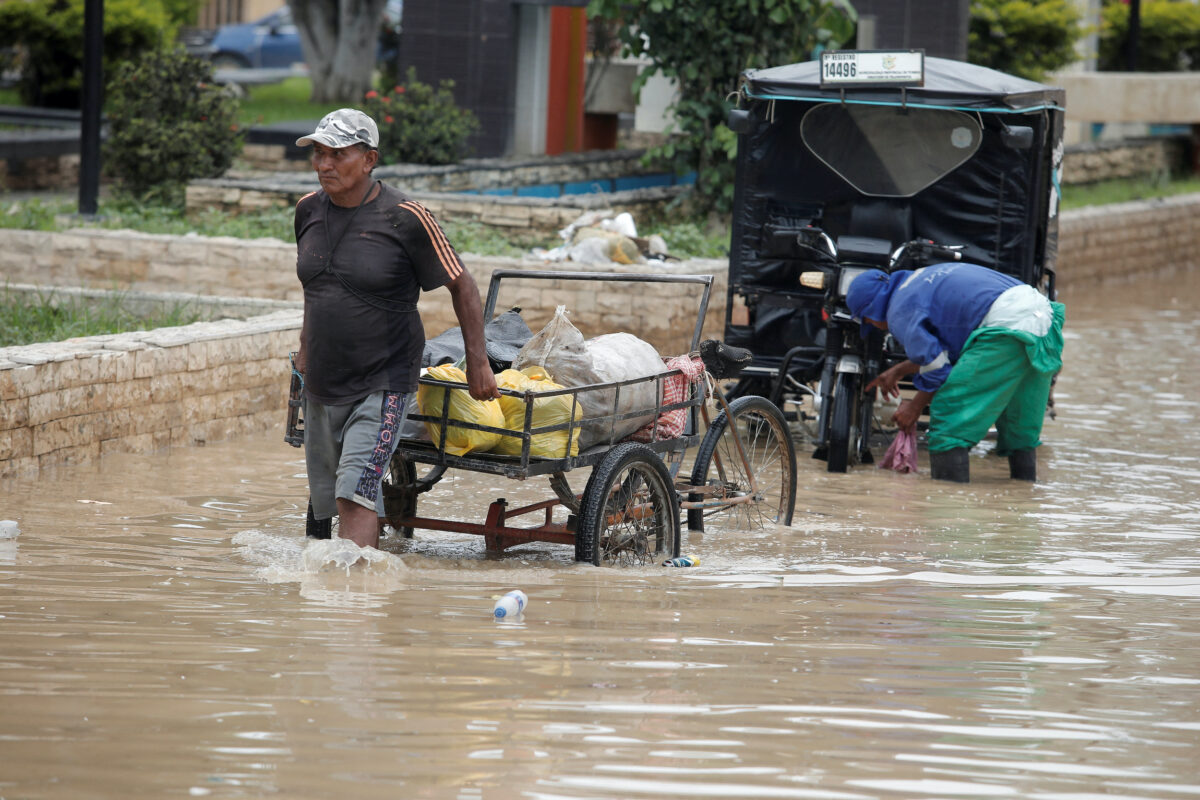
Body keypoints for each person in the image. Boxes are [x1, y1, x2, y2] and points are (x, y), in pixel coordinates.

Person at [293, 108, 499, 548]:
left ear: (369, 160)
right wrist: (305, 351)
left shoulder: (405, 216)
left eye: (337, 154)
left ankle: (356, 604)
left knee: (354, 494)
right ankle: (339, 596)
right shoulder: (307, 211)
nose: (324, 164)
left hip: (383, 379)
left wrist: (478, 365)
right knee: (326, 494)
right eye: (318, 153)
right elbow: (317, 290)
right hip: (325, 380)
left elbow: (462, 284)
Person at [846, 263, 1065, 483]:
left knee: (948, 419)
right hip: (1043, 319)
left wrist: (914, 407)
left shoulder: (898, 309)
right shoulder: (920, 279)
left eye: (868, 321)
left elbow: (938, 369)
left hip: (1005, 330)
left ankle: (948, 507)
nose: (874, 326)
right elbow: (956, 348)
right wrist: (900, 369)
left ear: (871, 310)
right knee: (1018, 424)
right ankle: (1024, 499)